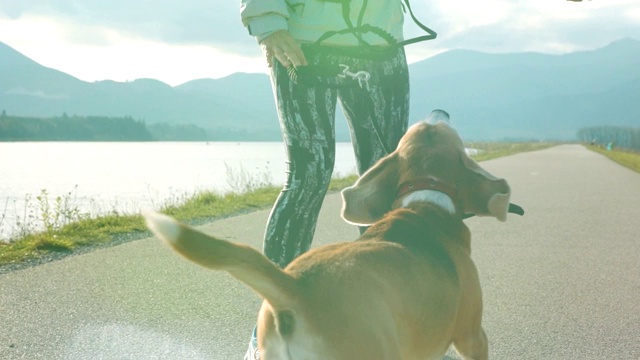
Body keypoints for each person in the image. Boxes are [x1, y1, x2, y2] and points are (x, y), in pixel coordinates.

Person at [239, 0, 431, 358]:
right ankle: (272, 326)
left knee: (385, 183)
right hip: (303, 45)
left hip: (380, 44)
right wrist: (268, 23)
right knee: (307, 177)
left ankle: (392, 323)